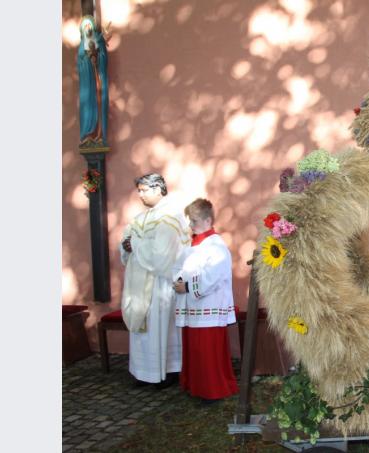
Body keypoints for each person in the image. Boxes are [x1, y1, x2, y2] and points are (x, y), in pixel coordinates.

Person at [120, 173, 190, 388]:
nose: (140, 194)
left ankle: (167, 372)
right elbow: (127, 241)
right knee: (144, 331)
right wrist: (126, 245)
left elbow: (164, 254)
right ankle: (143, 373)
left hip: (161, 282)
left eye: (144, 190)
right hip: (138, 282)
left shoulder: (170, 216)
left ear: (159, 189)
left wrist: (137, 245)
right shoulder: (141, 218)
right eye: (139, 190)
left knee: (161, 329)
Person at [172, 198, 238, 402]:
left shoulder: (216, 246)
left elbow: (213, 276)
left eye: (194, 221)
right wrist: (178, 281)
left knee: (207, 350)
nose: (191, 226)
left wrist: (188, 286)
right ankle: (194, 386)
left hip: (208, 306)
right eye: (190, 222)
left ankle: (212, 390)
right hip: (192, 306)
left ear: (208, 220)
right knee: (194, 349)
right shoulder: (192, 245)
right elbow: (178, 268)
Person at [77, 15, 109, 147]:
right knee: (87, 106)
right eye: (85, 26)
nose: (88, 28)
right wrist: (87, 59)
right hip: (87, 84)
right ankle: (87, 134)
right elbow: (80, 64)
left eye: (90, 25)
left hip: (97, 82)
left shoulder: (99, 41)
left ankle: (100, 134)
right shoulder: (81, 47)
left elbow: (103, 57)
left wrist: (97, 56)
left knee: (99, 103)